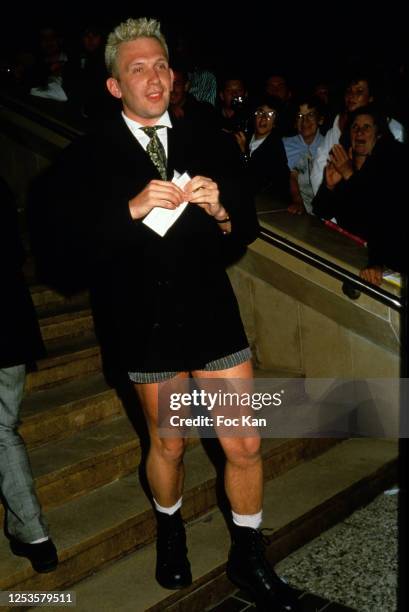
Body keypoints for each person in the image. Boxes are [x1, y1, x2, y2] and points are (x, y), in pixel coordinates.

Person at [33, 17, 298, 612]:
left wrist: (225, 210)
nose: (153, 78)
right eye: (137, 69)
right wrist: (127, 210)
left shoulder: (206, 136)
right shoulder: (86, 156)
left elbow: (242, 230)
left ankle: (249, 555)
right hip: (143, 322)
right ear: (113, 86)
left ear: (173, 74)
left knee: (246, 443)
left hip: (211, 315)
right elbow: (62, 254)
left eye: (160, 66)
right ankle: (170, 525)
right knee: (171, 445)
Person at [0, 176, 58, 573]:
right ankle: (33, 534)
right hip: (10, 325)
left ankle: (33, 531)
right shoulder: (1, 187)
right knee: (4, 428)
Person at [312, 104, 407, 285]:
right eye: (355, 127)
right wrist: (329, 186)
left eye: (366, 127)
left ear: (378, 134)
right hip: (349, 255)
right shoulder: (345, 164)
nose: (359, 132)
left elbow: (383, 217)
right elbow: (321, 211)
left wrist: (377, 264)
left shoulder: (391, 165)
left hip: (387, 261)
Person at [310, 72, 405, 195]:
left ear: (371, 97)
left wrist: (348, 174)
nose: (351, 96)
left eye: (359, 91)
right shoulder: (337, 128)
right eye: (348, 91)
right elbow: (319, 169)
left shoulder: (394, 130)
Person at [235, 95, 291, 201]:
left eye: (270, 114)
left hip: (267, 203)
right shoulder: (244, 137)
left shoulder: (275, 147)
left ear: (276, 121)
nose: (264, 117)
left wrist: (243, 153)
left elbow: (256, 181)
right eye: (260, 112)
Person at [283, 95, 325, 214]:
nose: (305, 121)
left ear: (320, 119)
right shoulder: (284, 144)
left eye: (310, 115)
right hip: (292, 211)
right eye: (300, 116)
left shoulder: (329, 145)